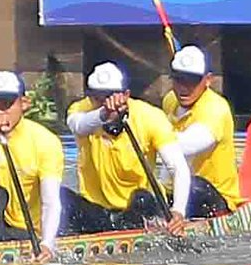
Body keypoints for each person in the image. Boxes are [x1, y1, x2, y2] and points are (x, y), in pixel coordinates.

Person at [64, 62, 192, 235]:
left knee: (142, 198)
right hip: (97, 212)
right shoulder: (81, 109)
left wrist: (178, 211)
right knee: (61, 195)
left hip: (136, 210)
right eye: (97, 98)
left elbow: (178, 168)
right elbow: (78, 126)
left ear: (126, 95)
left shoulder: (150, 117)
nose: (104, 103)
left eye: (110, 97)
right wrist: (104, 114)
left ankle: (154, 228)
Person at [0, 71, 67, 261]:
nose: (0, 113)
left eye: (8, 105)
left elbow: (50, 201)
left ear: (24, 104)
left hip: (26, 230)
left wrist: (47, 244)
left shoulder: (45, 141)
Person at [161, 45, 242, 235]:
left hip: (214, 197)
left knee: (194, 185)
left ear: (208, 80)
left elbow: (185, 146)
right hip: (176, 191)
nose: (184, 88)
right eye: (179, 80)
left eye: (192, 81)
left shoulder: (216, 109)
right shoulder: (169, 101)